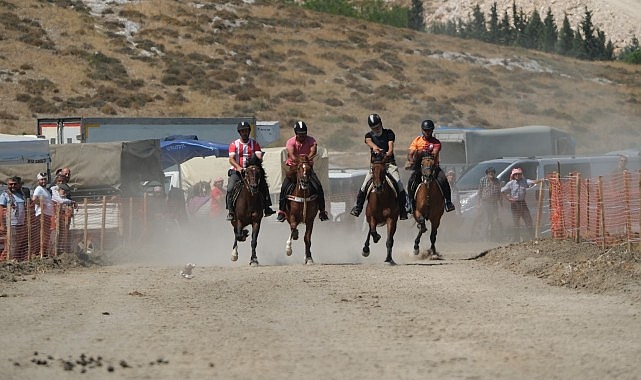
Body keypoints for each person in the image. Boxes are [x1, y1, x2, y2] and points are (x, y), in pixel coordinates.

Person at [349, 113, 408, 220]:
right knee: (364, 186)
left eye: (377, 127)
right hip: (375, 166)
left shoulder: (389, 133)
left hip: (389, 165)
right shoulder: (368, 135)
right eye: (373, 128)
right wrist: (375, 148)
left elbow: (390, 149)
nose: (376, 129)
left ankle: (403, 209)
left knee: (399, 185)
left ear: (381, 124)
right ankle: (358, 207)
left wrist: (386, 153)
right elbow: (369, 142)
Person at [276, 121, 329, 222]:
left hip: (307, 168)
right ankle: (282, 211)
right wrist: (299, 161)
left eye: (304, 134)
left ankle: (322, 211)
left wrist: (305, 161)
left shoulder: (311, 140)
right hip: (294, 168)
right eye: (300, 135)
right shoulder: (290, 142)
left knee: (318, 186)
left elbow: (313, 151)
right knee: (284, 187)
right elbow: (291, 154)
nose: (302, 136)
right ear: (296, 134)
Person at [225, 121, 276, 221]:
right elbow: (231, 159)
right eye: (242, 131)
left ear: (249, 131)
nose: (244, 133)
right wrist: (239, 167)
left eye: (246, 131)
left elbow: (258, 156)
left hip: (251, 171)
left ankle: (267, 207)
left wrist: (256, 160)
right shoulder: (233, 144)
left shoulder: (255, 144)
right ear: (239, 133)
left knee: (264, 185)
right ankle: (230, 211)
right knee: (230, 188)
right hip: (237, 171)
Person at [405, 119, 456, 213]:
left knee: (443, 179)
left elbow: (433, 154)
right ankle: (410, 203)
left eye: (429, 130)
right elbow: (410, 153)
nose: (427, 132)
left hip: (433, 167)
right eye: (425, 130)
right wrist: (411, 161)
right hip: (419, 167)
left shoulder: (436, 142)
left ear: (432, 130)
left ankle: (448, 202)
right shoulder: (417, 140)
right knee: (411, 181)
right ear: (422, 130)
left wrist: (420, 152)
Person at [501, 167, 543, 242]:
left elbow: (533, 182)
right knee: (516, 221)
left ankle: (532, 237)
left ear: (521, 175)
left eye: (519, 174)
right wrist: (508, 198)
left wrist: (541, 180)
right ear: (513, 175)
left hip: (522, 203)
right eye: (516, 174)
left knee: (528, 220)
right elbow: (502, 191)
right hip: (515, 204)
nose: (517, 176)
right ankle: (516, 239)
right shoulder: (511, 183)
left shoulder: (525, 181)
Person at [0, 176, 28, 261]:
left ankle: (14, 260)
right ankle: (4, 261)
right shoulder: (5, 195)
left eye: (15, 184)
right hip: (11, 224)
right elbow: (1, 210)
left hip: (20, 224)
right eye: (10, 184)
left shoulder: (21, 195)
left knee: (17, 244)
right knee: (10, 244)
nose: (13, 186)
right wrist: (2, 225)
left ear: (18, 185)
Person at [32, 172, 54, 256]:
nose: (44, 181)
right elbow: (34, 199)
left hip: (47, 215)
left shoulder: (45, 190)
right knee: (43, 234)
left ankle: (43, 252)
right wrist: (41, 205)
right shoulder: (39, 188)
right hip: (42, 215)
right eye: (42, 179)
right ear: (38, 181)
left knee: (46, 234)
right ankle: (40, 253)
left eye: (45, 179)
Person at [477, 167, 502, 240]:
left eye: (492, 172)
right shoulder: (483, 180)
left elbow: (499, 193)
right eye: (489, 172)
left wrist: (501, 204)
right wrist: (478, 203)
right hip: (485, 203)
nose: (491, 174)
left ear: (494, 173)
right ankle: (484, 237)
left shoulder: (497, 181)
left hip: (494, 203)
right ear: (487, 174)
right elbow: (479, 191)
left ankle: (493, 237)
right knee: (487, 219)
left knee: (495, 219)